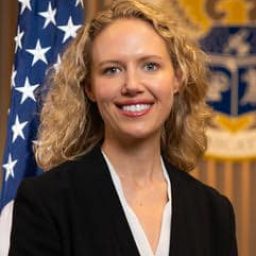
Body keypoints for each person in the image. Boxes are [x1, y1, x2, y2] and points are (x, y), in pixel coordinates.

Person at [8, 0, 238, 255]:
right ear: (89, 88)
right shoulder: (46, 201)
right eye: (112, 70)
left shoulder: (214, 211)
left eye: (150, 66)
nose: (132, 85)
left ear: (177, 79)